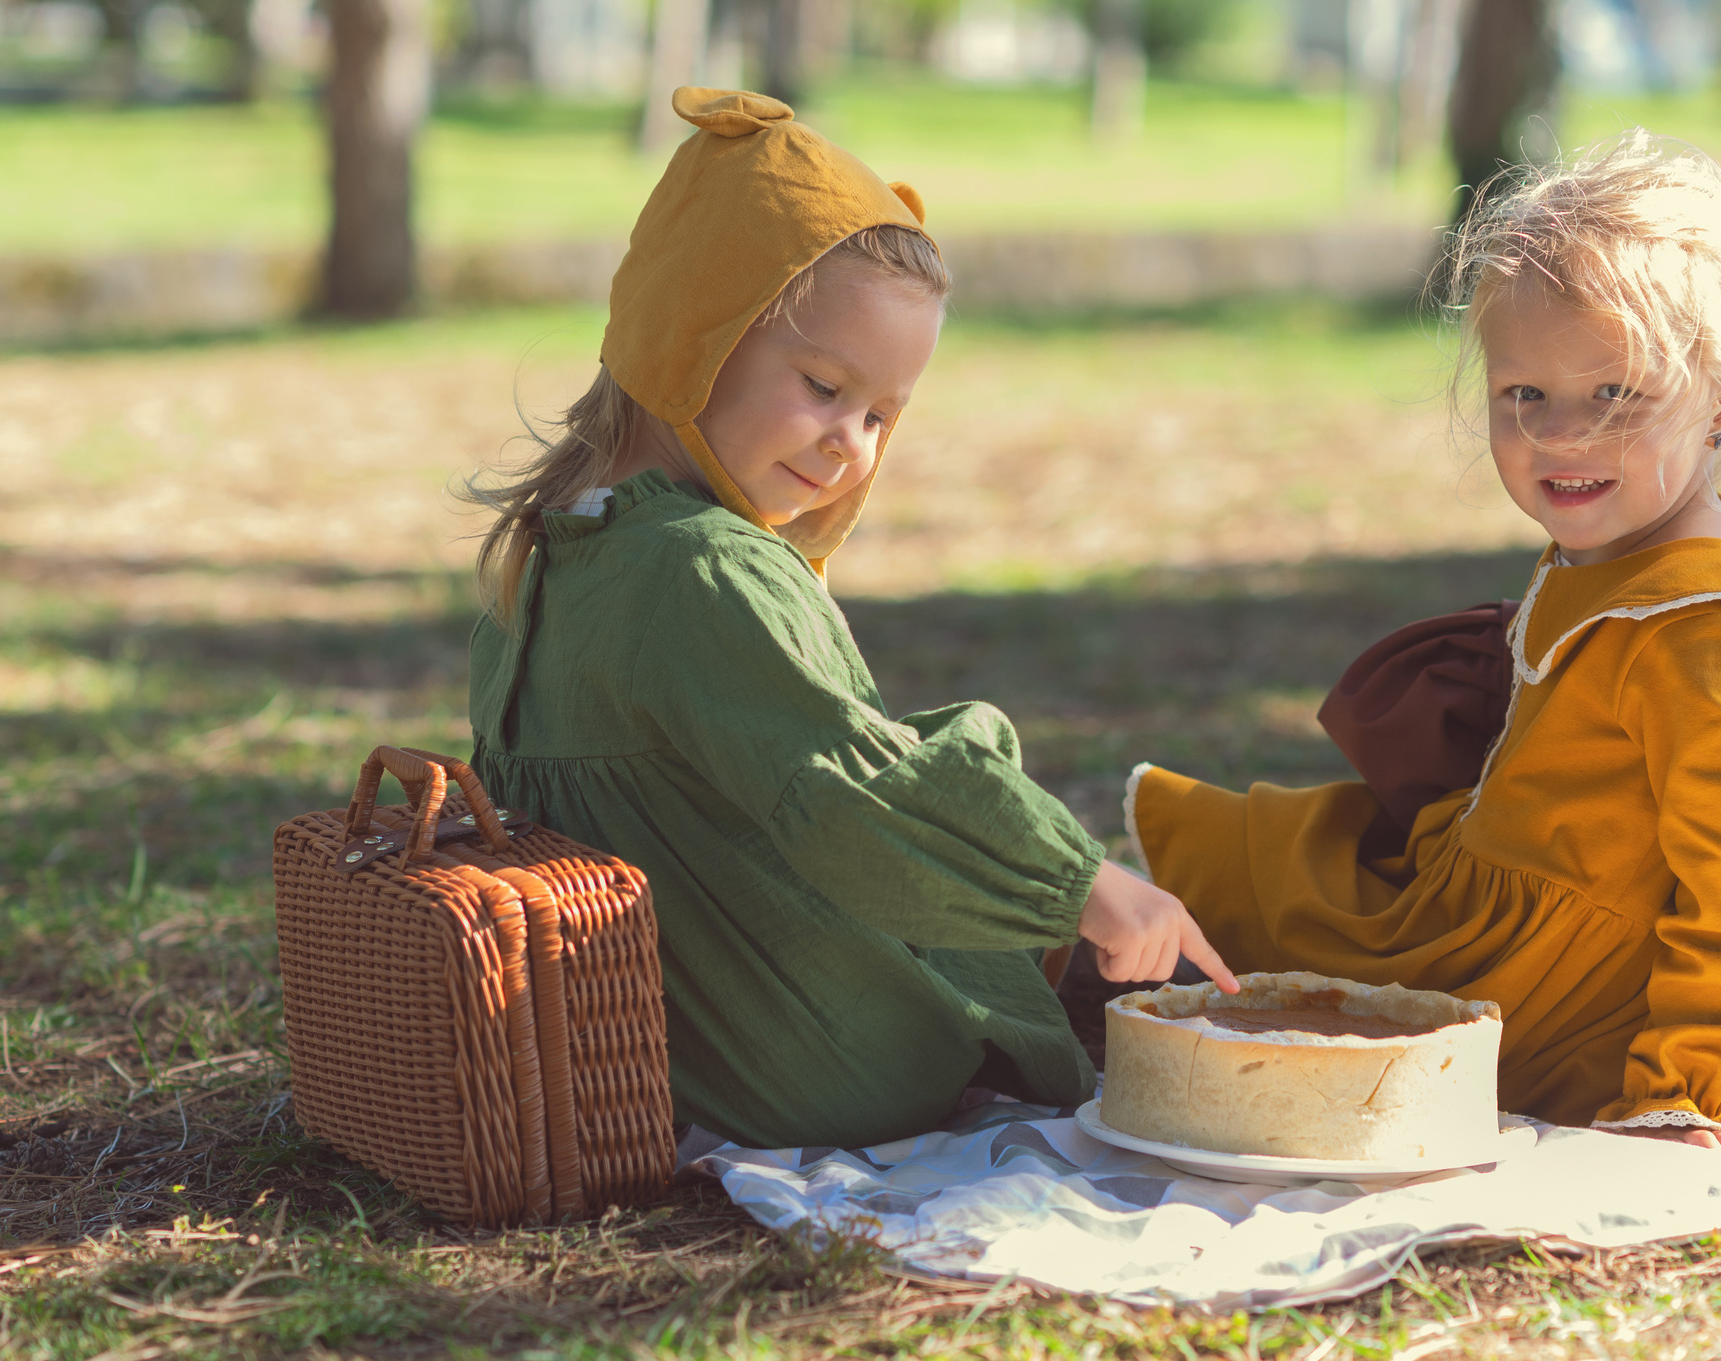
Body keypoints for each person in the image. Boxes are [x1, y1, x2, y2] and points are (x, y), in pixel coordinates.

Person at [1122, 132, 1721, 1155]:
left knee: (1219, 986)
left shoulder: (1702, 633)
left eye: (1614, 395)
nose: (1559, 436)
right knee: (1255, 884)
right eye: (1522, 395)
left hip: (1562, 1006)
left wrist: (1689, 1088)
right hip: (1492, 905)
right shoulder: (1615, 548)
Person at [464, 87, 1234, 1151]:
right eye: (824, 386)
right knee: (956, 767)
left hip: (651, 1046)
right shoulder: (706, 571)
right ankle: (1074, 981)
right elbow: (861, 803)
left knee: (937, 754)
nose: (850, 444)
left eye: (880, 415)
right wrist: (1080, 884)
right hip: (816, 1064)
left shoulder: (560, 548)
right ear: (692, 333)